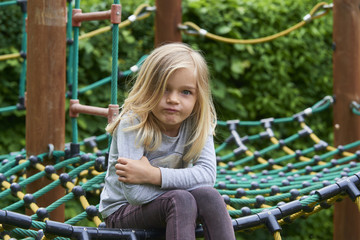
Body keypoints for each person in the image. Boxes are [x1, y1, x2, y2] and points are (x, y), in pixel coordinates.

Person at [99, 43, 235, 240]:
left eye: (186, 92)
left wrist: (153, 175)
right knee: (181, 200)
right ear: (148, 89)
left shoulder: (197, 122)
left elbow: (207, 176)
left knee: (210, 197)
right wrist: (185, 185)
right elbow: (136, 195)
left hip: (173, 206)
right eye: (164, 89)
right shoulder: (133, 123)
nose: (173, 99)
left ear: (198, 97)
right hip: (122, 212)